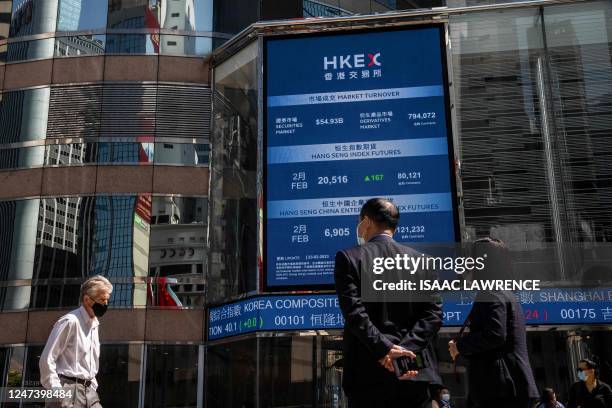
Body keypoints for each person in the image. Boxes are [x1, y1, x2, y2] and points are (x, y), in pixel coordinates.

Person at [334, 198, 443, 408]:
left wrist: (387, 350)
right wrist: (403, 351)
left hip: (367, 373)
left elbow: (355, 313)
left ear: (365, 222)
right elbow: (433, 315)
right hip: (413, 370)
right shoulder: (423, 262)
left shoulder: (349, 257)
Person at [448, 238, 538, 408]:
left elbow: (495, 335)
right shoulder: (504, 292)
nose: (468, 266)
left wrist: (460, 346)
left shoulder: (491, 292)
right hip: (505, 386)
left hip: (500, 388)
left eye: (472, 260)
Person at [40, 275, 113, 408]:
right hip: (68, 389)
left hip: (89, 392)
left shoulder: (94, 325)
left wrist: (93, 386)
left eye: (107, 300)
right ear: (86, 299)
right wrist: (57, 392)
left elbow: (90, 364)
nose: (105, 305)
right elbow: (47, 359)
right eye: (101, 300)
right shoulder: (70, 321)